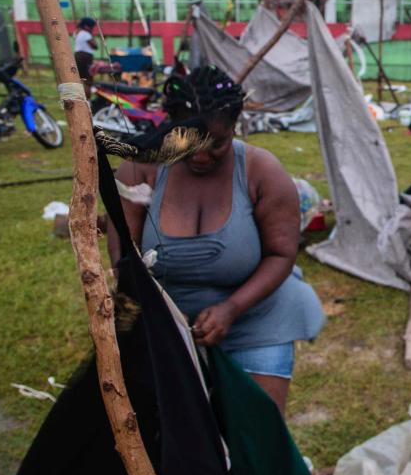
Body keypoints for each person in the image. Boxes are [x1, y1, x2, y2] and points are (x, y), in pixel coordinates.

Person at [109, 66, 325, 410]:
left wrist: (231, 308)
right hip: (166, 326)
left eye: (217, 143)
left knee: (255, 438)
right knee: (171, 440)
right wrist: (147, 322)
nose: (200, 156)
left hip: (256, 318)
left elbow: (281, 255)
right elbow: (124, 257)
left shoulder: (261, 172)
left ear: (236, 126)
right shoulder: (141, 170)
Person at [73, 17, 98, 89]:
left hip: (77, 55)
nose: (92, 29)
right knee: (88, 79)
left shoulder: (76, 32)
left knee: (80, 77)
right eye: (91, 27)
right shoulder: (86, 34)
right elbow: (95, 46)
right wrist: (91, 34)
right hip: (85, 56)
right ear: (86, 26)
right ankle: (88, 97)